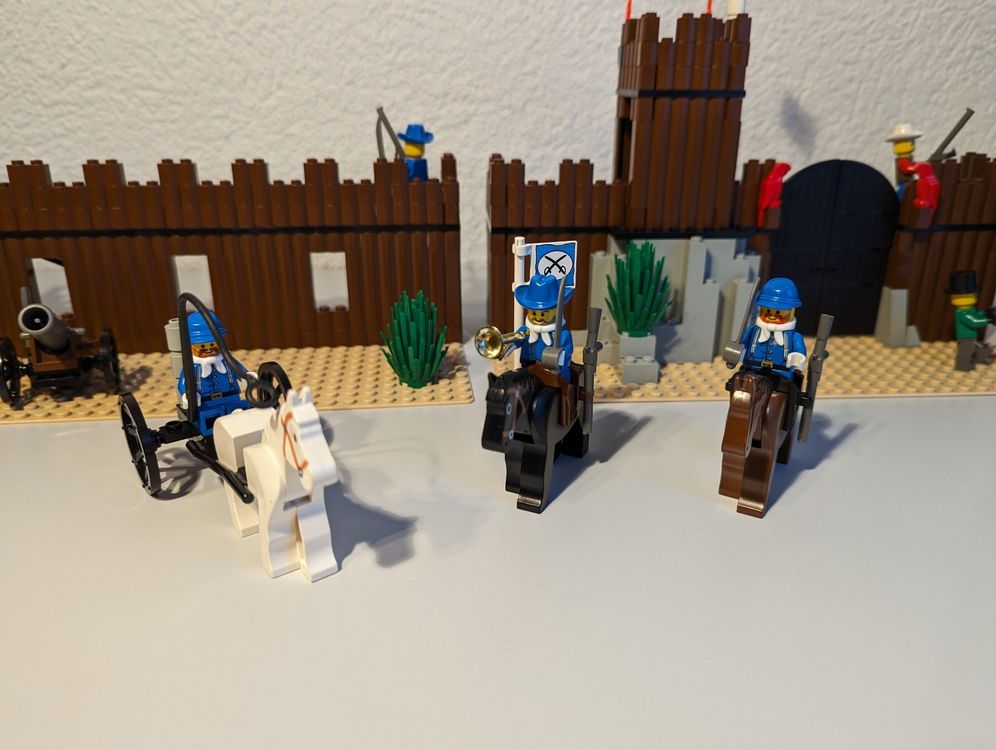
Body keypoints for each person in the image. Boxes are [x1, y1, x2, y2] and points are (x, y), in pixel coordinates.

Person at [176, 310, 249, 435]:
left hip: (231, 398)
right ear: (191, 345)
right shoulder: (192, 367)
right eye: (202, 346)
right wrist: (186, 394)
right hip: (206, 404)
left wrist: (248, 377)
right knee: (211, 425)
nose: (208, 349)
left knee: (238, 416)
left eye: (212, 344)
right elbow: (183, 383)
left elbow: (239, 369)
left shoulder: (227, 360)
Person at [739, 277, 806, 381]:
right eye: (768, 311)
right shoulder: (752, 331)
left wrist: (796, 359)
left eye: (779, 312)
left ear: (791, 312)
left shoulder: (794, 337)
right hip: (753, 369)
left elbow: (799, 352)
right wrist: (735, 351)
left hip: (782, 373)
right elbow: (740, 344)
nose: (772, 316)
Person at [508, 274, 574, 380]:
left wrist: (559, 357)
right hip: (528, 369)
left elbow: (567, 353)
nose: (538, 318)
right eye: (534, 313)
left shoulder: (562, 335)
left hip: (553, 373)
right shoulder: (525, 331)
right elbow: (516, 340)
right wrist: (508, 346)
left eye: (544, 314)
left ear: (556, 311)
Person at [948, 270, 995, 371]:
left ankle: (979, 359)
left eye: (969, 295)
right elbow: (974, 322)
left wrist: (986, 313)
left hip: (972, 337)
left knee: (979, 349)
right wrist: (988, 320)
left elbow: (977, 315)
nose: (965, 298)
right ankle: (962, 366)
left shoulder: (970, 310)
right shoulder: (962, 313)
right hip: (965, 338)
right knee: (966, 352)